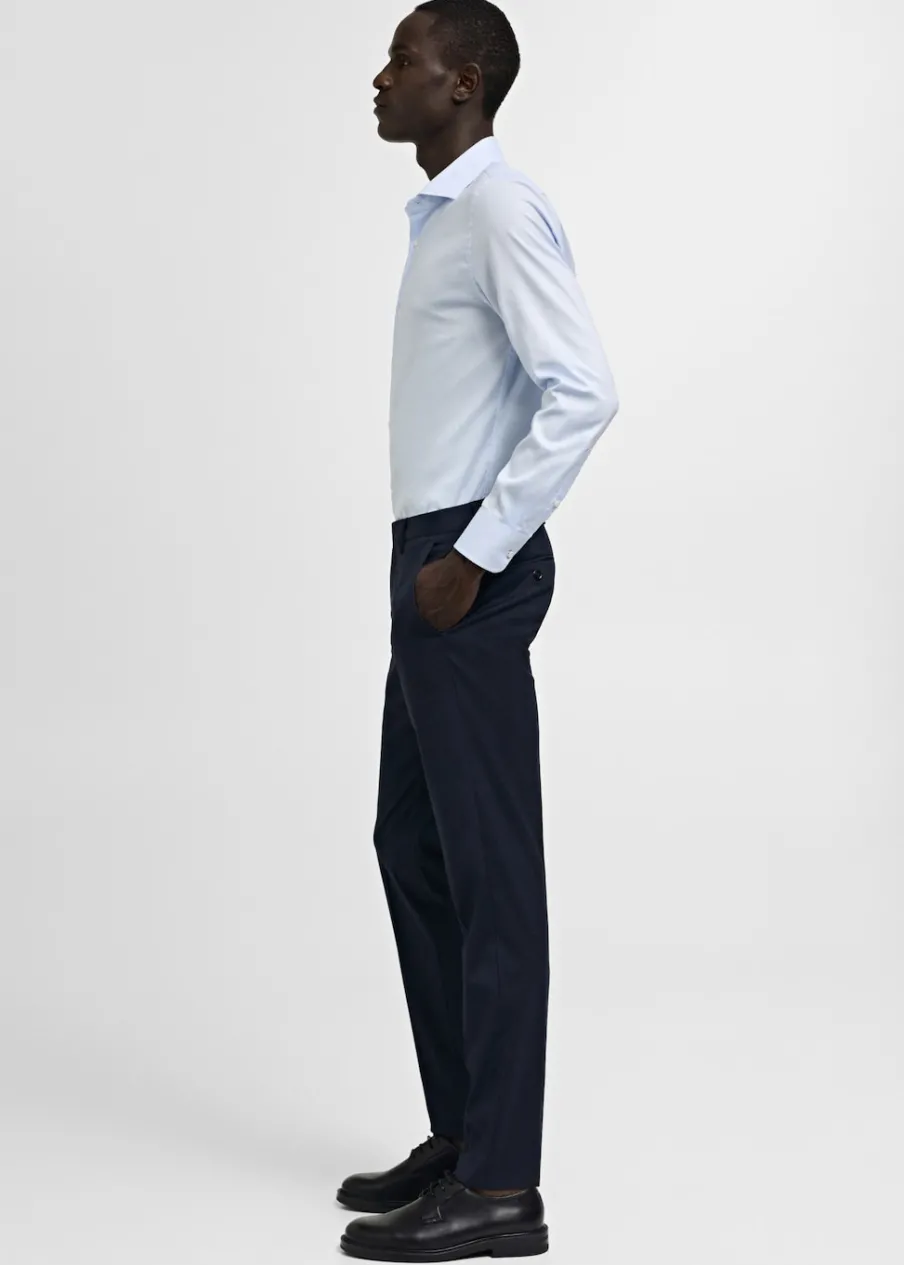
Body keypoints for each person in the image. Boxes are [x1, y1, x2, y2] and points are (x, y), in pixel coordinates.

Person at [337, 0, 619, 1258]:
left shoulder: (499, 209)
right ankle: (463, 1131)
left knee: (491, 874)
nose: (380, 76)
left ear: (462, 82)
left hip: (465, 561)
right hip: (432, 556)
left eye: (402, 58)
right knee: (411, 842)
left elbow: (585, 389)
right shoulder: (447, 216)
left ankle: (503, 1187)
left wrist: (476, 551)